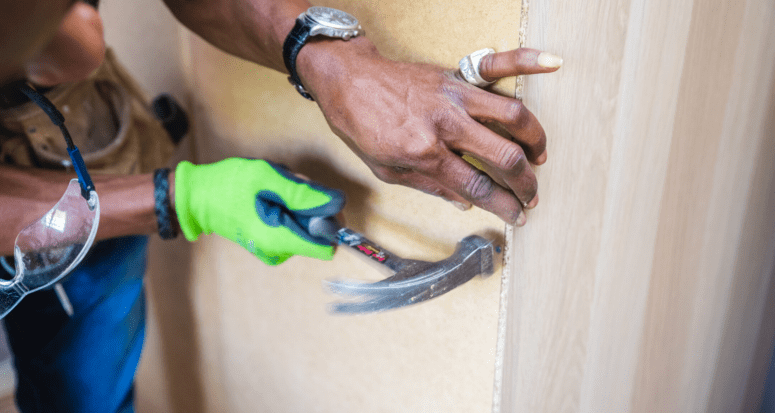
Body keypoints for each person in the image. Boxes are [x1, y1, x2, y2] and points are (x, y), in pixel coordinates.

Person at [0, 0, 561, 411]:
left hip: (72, 127)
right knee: (72, 390)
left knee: (97, 359)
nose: (89, 25)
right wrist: (185, 199)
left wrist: (330, 62)